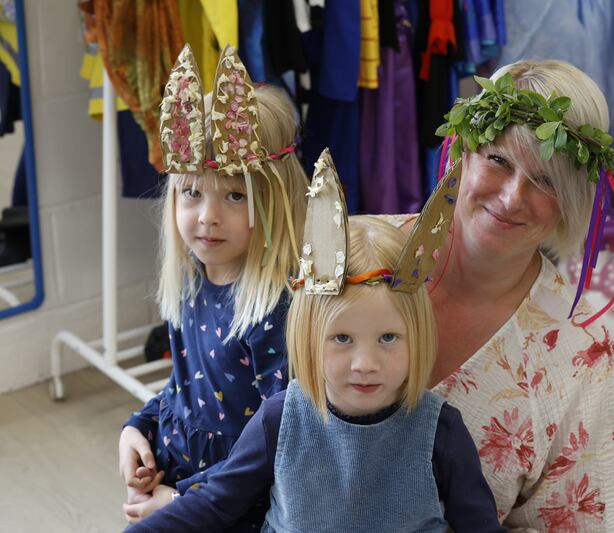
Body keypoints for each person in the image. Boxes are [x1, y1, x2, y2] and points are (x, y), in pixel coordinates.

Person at [127, 216, 506, 533]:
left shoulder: (440, 430)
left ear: (417, 336)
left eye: (388, 338)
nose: (365, 363)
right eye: (342, 338)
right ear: (310, 338)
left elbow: (481, 528)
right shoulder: (280, 419)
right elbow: (216, 502)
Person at [396, 59, 614, 531]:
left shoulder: (579, 358)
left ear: (571, 202)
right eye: (499, 161)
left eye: (545, 181)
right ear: (464, 152)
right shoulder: (363, 258)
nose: (511, 198)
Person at [119, 46, 308, 527]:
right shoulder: (192, 282)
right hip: (177, 478)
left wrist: (182, 501)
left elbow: (279, 443)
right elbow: (187, 387)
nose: (208, 216)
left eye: (235, 195)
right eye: (192, 192)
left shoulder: (275, 310)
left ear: (276, 199)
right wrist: (138, 427)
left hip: (231, 507)